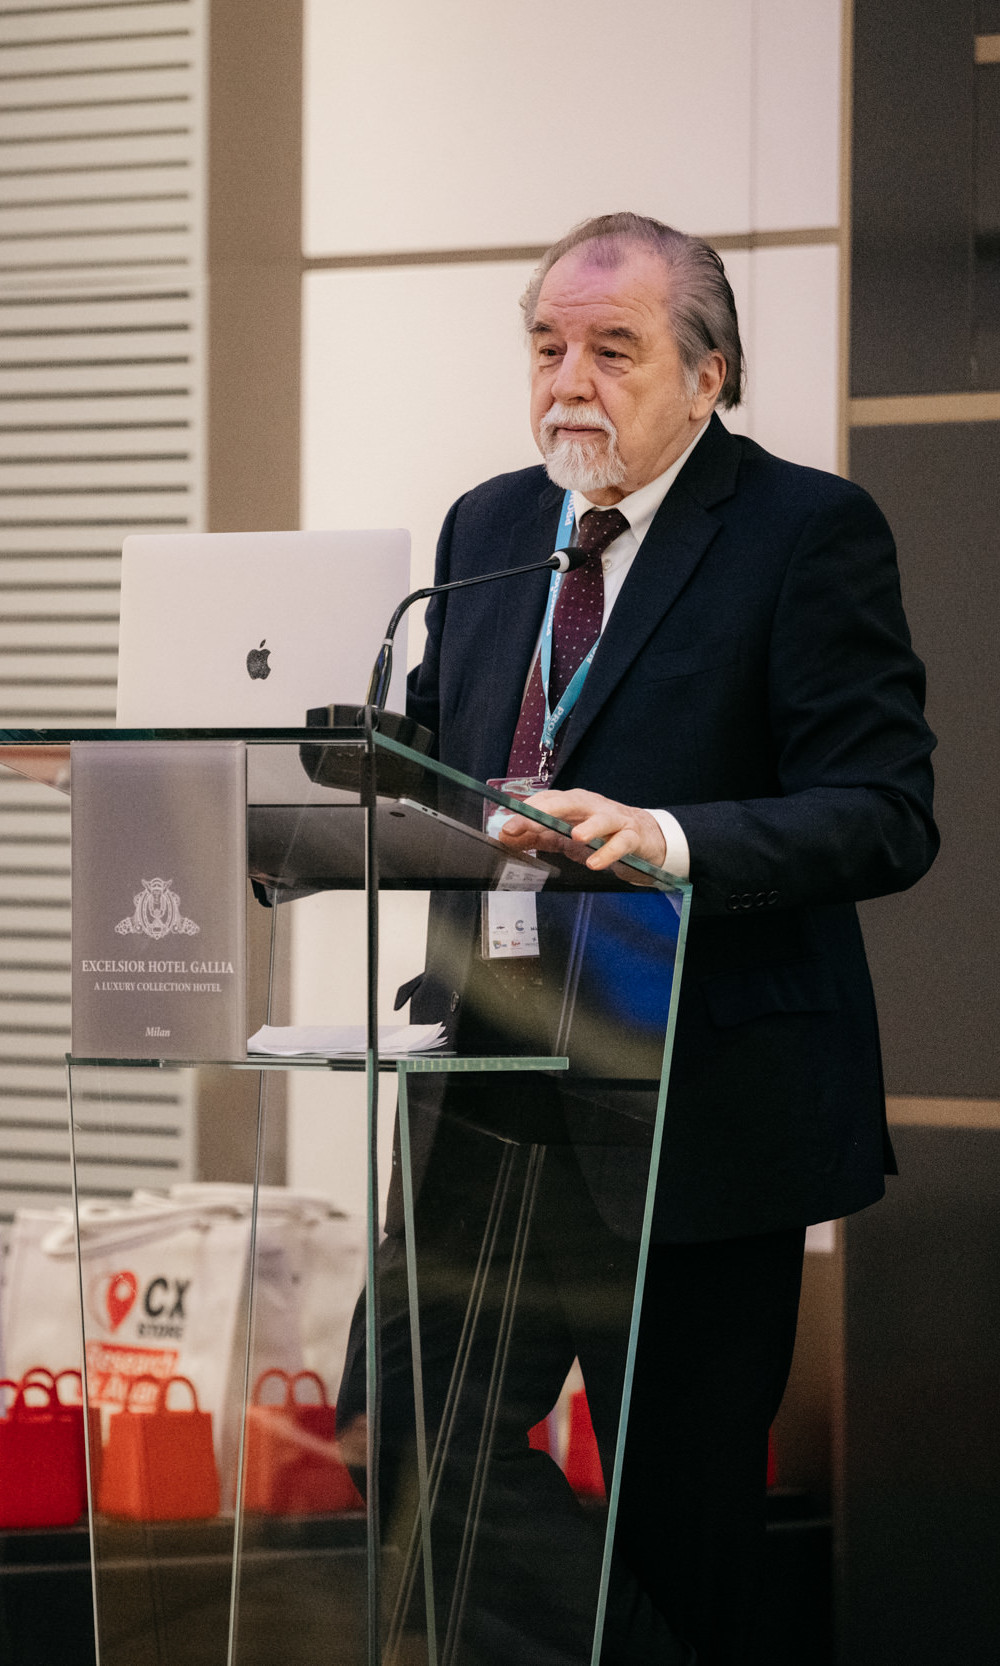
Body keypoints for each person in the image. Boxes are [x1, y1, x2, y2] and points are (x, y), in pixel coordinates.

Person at [342, 213, 938, 1665]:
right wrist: (283, 772)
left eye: (614, 349)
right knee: (404, 1437)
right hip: (487, 1079)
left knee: (679, 1516)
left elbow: (882, 813)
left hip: (691, 1099)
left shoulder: (804, 532)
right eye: (547, 346)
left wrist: (661, 838)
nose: (570, 381)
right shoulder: (490, 529)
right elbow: (447, 760)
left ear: (708, 373)